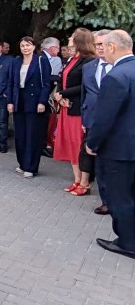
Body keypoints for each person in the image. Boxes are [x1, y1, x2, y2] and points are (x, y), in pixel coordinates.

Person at [86, 30, 135, 259]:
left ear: (113, 47)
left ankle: (127, 242)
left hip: (119, 150)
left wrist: (92, 143)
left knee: (120, 197)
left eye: (104, 46)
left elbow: (104, 118)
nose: (102, 50)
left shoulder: (115, 76)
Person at [53, 28, 96, 196]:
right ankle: (76, 179)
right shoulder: (71, 59)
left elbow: (85, 85)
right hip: (66, 107)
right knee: (70, 144)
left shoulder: (89, 60)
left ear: (80, 41)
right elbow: (61, 78)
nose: (69, 38)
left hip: (78, 108)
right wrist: (58, 94)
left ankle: (85, 182)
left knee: (79, 144)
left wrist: (63, 94)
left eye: (72, 37)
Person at [7, 37, 51, 178]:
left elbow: (46, 84)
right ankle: (22, 164)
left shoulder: (41, 61)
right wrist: (10, 101)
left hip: (34, 101)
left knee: (32, 135)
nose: (25, 48)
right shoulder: (16, 61)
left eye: (28, 45)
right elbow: (11, 83)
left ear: (34, 46)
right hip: (19, 99)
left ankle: (31, 167)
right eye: (22, 46)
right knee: (20, 135)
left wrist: (42, 102)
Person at [80, 30, 112, 215]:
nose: (100, 48)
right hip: (93, 121)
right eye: (97, 44)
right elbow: (85, 94)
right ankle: (106, 201)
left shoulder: (122, 67)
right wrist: (84, 118)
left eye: (103, 44)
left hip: (117, 124)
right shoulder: (89, 67)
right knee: (99, 163)